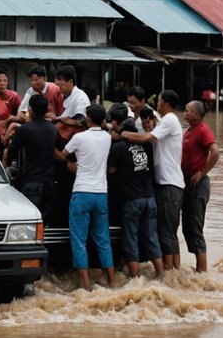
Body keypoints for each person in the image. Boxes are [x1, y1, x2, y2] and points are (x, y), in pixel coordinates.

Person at [114, 89, 184, 271]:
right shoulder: (165, 121)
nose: (156, 105)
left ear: (166, 104)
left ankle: (171, 272)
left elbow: (147, 138)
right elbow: (152, 138)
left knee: (167, 232)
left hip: (169, 182)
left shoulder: (168, 119)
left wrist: (124, 135)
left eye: (159, 101)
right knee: (163, 232)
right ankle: (171, 272)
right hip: (161, 184)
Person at [60, 104, 115, 290]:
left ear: (88, 118)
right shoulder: (107, 138)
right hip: (101, 193)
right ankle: (112, 282)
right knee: (103, 241)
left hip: (82, 192)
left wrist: (70, 165)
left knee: (79, 240)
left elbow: (64, 154)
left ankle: (85, 286)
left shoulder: (79, 137)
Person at [106, 103, 163, 279]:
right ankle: (162, 275)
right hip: (150, 198)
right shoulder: (146, 145)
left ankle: (135, 279)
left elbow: (111, 171)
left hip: (132, 200)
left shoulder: (118, 148)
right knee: (151, 237)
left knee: (131, 239)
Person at [181, 100, 220, 273]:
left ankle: (203, 271)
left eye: (187, 110)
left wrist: (202, 173)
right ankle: (198, 268)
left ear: (196, 114)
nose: (184, 112)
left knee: (195, 227)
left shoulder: (203, 130)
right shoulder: (188, 131)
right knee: (188, 226)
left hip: (198, 183)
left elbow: (215, 152)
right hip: (187, 182)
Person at [6, 94, 59, 219]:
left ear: (30, 109)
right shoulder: (53, 129)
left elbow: (12, 150)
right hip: (49, 181)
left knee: (30, 217)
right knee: (44, 218)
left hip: (31, 181)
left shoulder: (25, 129)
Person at [53, 65, 89, 148]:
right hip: (59, 137)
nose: (57, 84)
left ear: (70, 81)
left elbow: (82, 121)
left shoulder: (81, 97)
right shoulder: (60, 94)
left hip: (72, 141)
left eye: (60, 80)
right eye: (56, 80)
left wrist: (63, 120)